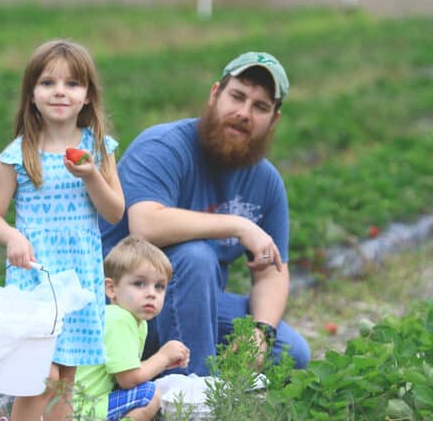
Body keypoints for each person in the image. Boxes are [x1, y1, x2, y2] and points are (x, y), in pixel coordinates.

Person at [100, 52, 311, 376]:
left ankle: (168, 371)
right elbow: (144, 224)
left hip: (188, 305)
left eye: (260, 107)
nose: (244, 113)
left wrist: (262, 332)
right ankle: (192, 393)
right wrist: (238, 225)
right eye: (237, 96)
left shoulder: (266, 182)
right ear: (215, 95)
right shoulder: (165, 147)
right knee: (196, 257)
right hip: (121, 308)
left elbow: (272, 271)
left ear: (274, 119)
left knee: (289, 351)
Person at [0, 39, 125, 421]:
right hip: (36, 278)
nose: (60, 91)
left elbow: (114, 212)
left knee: (65, 378)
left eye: (72, 83)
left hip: (79, 279)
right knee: (38, 374)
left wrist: (92, 174)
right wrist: (13, 236)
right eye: (48, 83)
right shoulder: (18, 154)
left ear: (87, 97)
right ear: (31, 94)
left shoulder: (97, 149)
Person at [75, 235, 190, 421]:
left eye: (159, 286)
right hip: (83, 407)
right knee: (150, 395)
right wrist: (162, 357)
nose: (151, 293)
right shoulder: (119, 319)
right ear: (111, 289)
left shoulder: (137, 322)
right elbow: (128, 379)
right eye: (139, 283)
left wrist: (164, 362)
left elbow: (124, 373)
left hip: (86, 402)